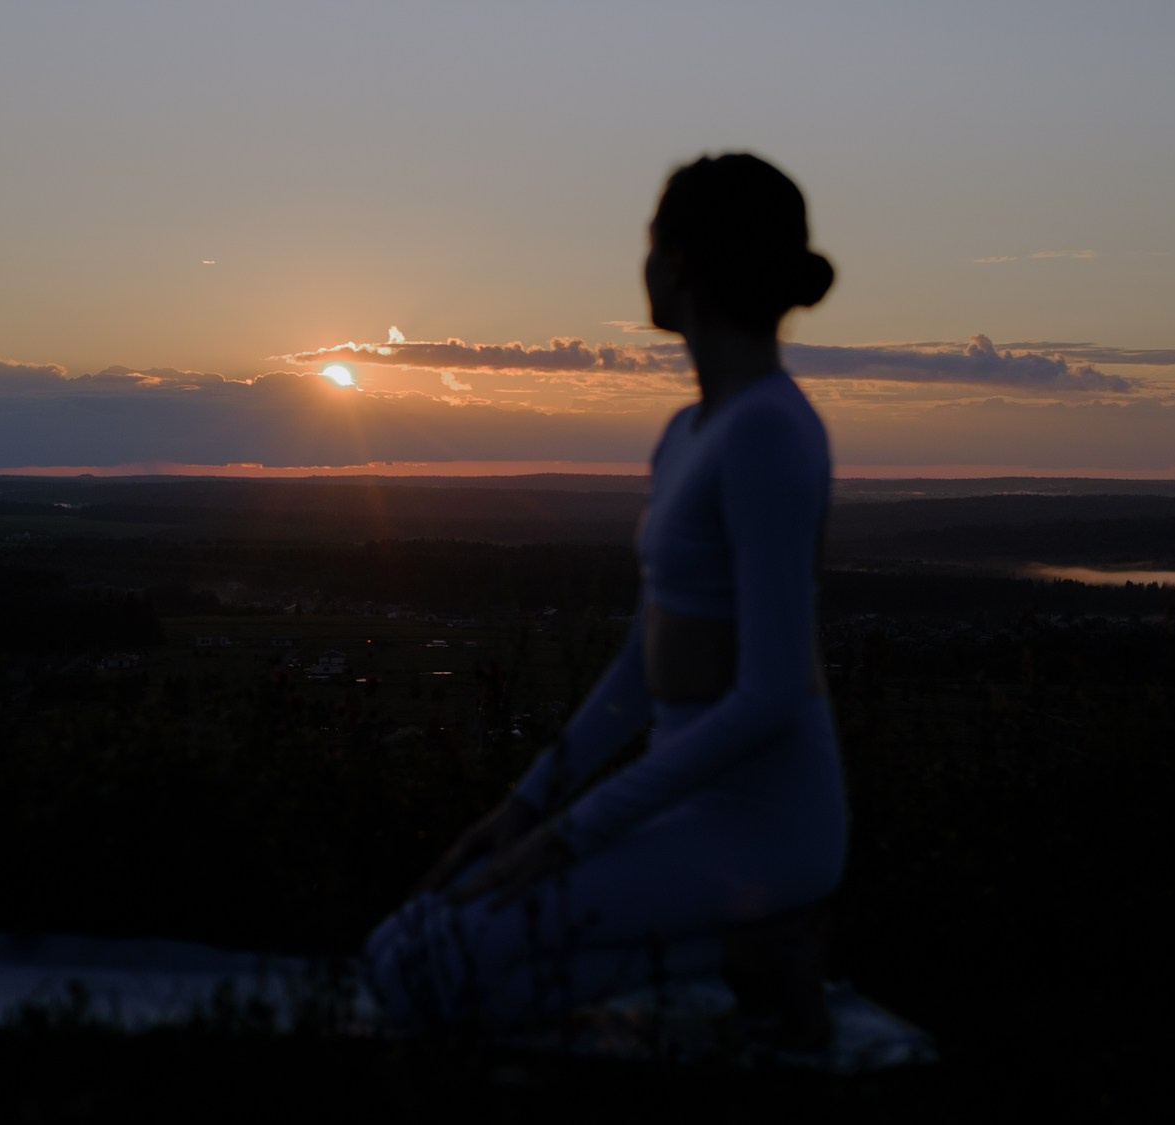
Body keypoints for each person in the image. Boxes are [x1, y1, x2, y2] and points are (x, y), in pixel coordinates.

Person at [362, 153, 845, 1044]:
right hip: (684, 803)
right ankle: (744, 953)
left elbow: (773, 694)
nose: (643, 263)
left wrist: (567, 838)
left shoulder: (771, 431)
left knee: (428, 969)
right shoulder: (690, 431)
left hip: (766, 820)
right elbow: (639, 663)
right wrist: (524, 808)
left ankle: (750, 946)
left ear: (687, 264)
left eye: (653, 240)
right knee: (402, 951)